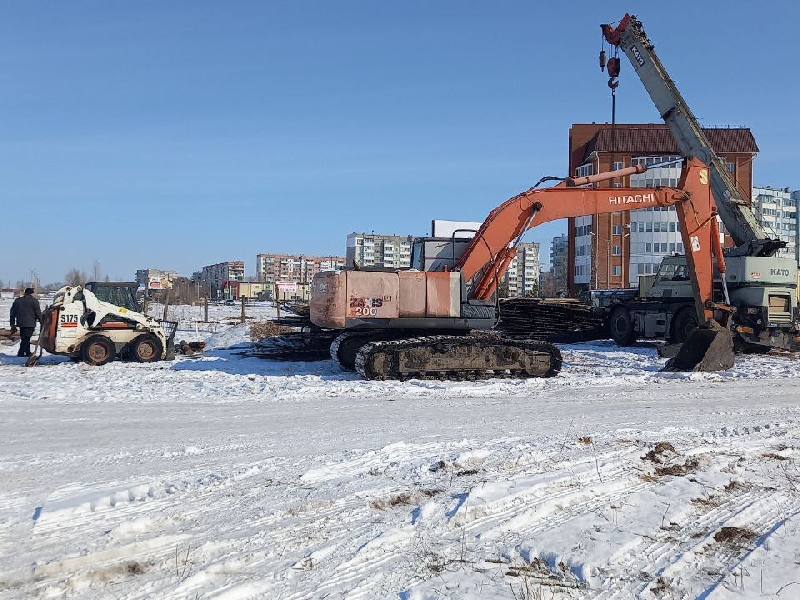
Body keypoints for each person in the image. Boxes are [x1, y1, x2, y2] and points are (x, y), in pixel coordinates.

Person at [10, 288, 42, 357]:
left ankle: (26, 352)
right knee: (26, 338)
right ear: (32, 293)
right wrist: (41, 321)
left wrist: (12, 324)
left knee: (24, 338)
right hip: (30, 323)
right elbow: (37, 313)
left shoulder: (18, 300)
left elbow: (12, 313)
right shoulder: (34, 301)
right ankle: (21, 352)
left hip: (21, 323)